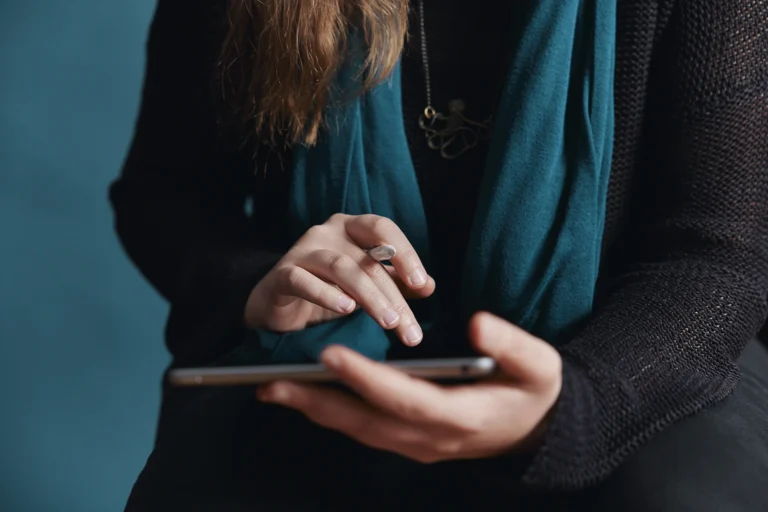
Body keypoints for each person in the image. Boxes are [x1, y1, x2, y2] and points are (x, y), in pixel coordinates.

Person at [111, 0, 768, 510]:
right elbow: (163, 195)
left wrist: (576, 408)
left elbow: (714, 257)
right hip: (329, 363)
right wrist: (257, 282)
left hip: (630, 361)